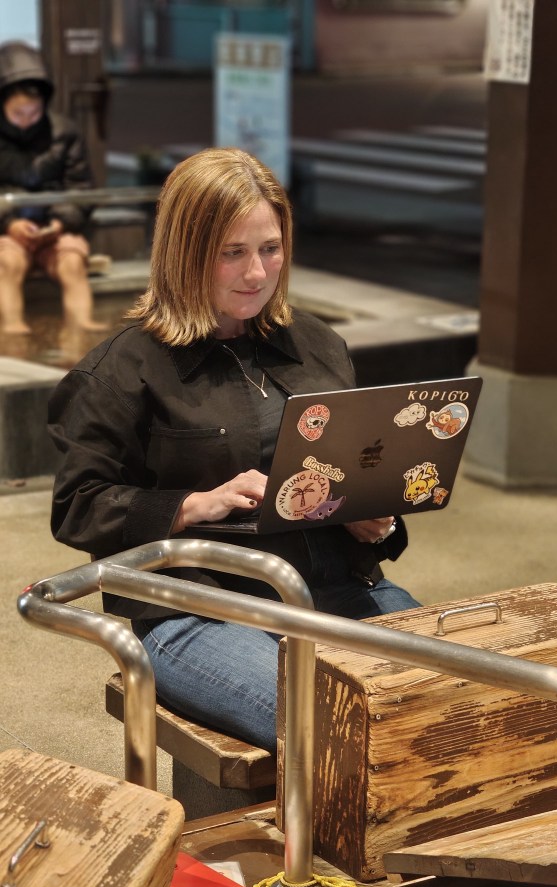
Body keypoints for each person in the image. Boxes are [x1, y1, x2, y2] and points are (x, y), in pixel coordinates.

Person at [48, 147, 420, 753]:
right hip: (198, 611)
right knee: (333, 726)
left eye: (270, 249)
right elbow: (78, 507)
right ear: (185, 252)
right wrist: (194, 504)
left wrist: (376, 524)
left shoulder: (320, 346)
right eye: (233, 253)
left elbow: (361, 470)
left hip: (336, 589)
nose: (257, 273)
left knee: (453, 694)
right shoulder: (122, 371)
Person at [0, 41, 106, 334]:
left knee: (72, 262)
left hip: (54, 228)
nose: (26, 121)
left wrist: (60, 222)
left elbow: (80, 187)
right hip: (6, 232)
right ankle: (13, 332)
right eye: (17, 114)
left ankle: (82, 332)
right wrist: (10, 223)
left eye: (33, 113)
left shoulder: (64, 132)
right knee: (7, 263)